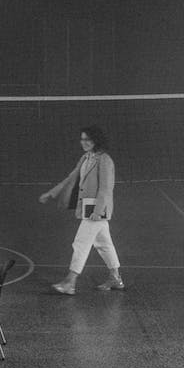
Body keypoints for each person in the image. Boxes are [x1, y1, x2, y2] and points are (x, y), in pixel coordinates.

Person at [38, 126, 123, 295]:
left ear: (96, 140)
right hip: (88, 208)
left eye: (88, 139)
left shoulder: (104, 160)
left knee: (81, 243)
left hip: (96, 210)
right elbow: (71, 177)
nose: (83, 143)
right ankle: (115, 278)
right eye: (82, 139)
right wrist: (52, 193)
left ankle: (70, 282)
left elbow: (106, 188)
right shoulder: (86, 157)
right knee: (104, 244)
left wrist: (98, 211)